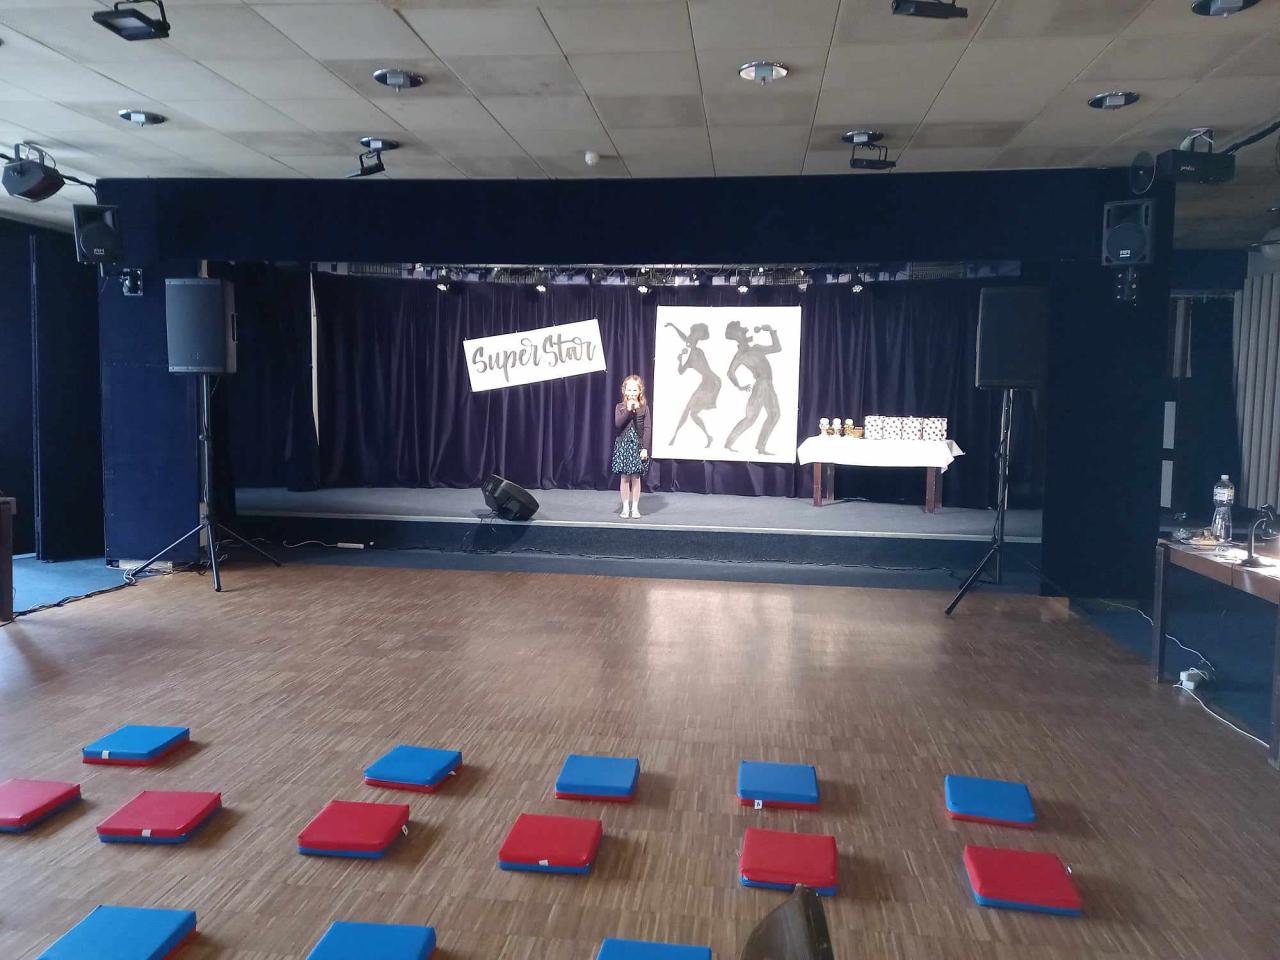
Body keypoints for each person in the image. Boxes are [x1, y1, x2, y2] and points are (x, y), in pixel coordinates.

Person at [724, 320, 781, 456]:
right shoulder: (740, 355)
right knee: (751, 418)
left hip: (767, 384)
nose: (745, 329)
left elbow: (777, 348)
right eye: (741, 329)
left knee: (773, 415)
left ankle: (759, 447)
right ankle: (729, 443)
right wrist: (739, 386)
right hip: (762, 384)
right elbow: (730, 372)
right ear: (737, 335)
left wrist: (771, 331)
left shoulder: (756, 348)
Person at [665, 321, 721, 448]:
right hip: (705, 383)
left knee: (688, 409)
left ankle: (674, 436)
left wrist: (714, 398)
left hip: (710, 383)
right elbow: (681, 371)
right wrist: (680, 360)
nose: (688, 338)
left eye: (692, 335)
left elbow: (715, 377)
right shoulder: (690, 357)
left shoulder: (698, 352)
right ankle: (708, 437)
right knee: (693, 413)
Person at [612, 374, 652, 519]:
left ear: (640, 391)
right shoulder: (620, 407)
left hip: (637, 446)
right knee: (625, 477)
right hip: (623, 446)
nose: (632, 393)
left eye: (635, 390)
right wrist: (628, 410)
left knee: (636, 477)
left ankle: (635, 507)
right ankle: (625, 507)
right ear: (624, 391)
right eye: (629, 390)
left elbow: (647, 428)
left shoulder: (644, 408)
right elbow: (618, 424)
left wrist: (644, 448)